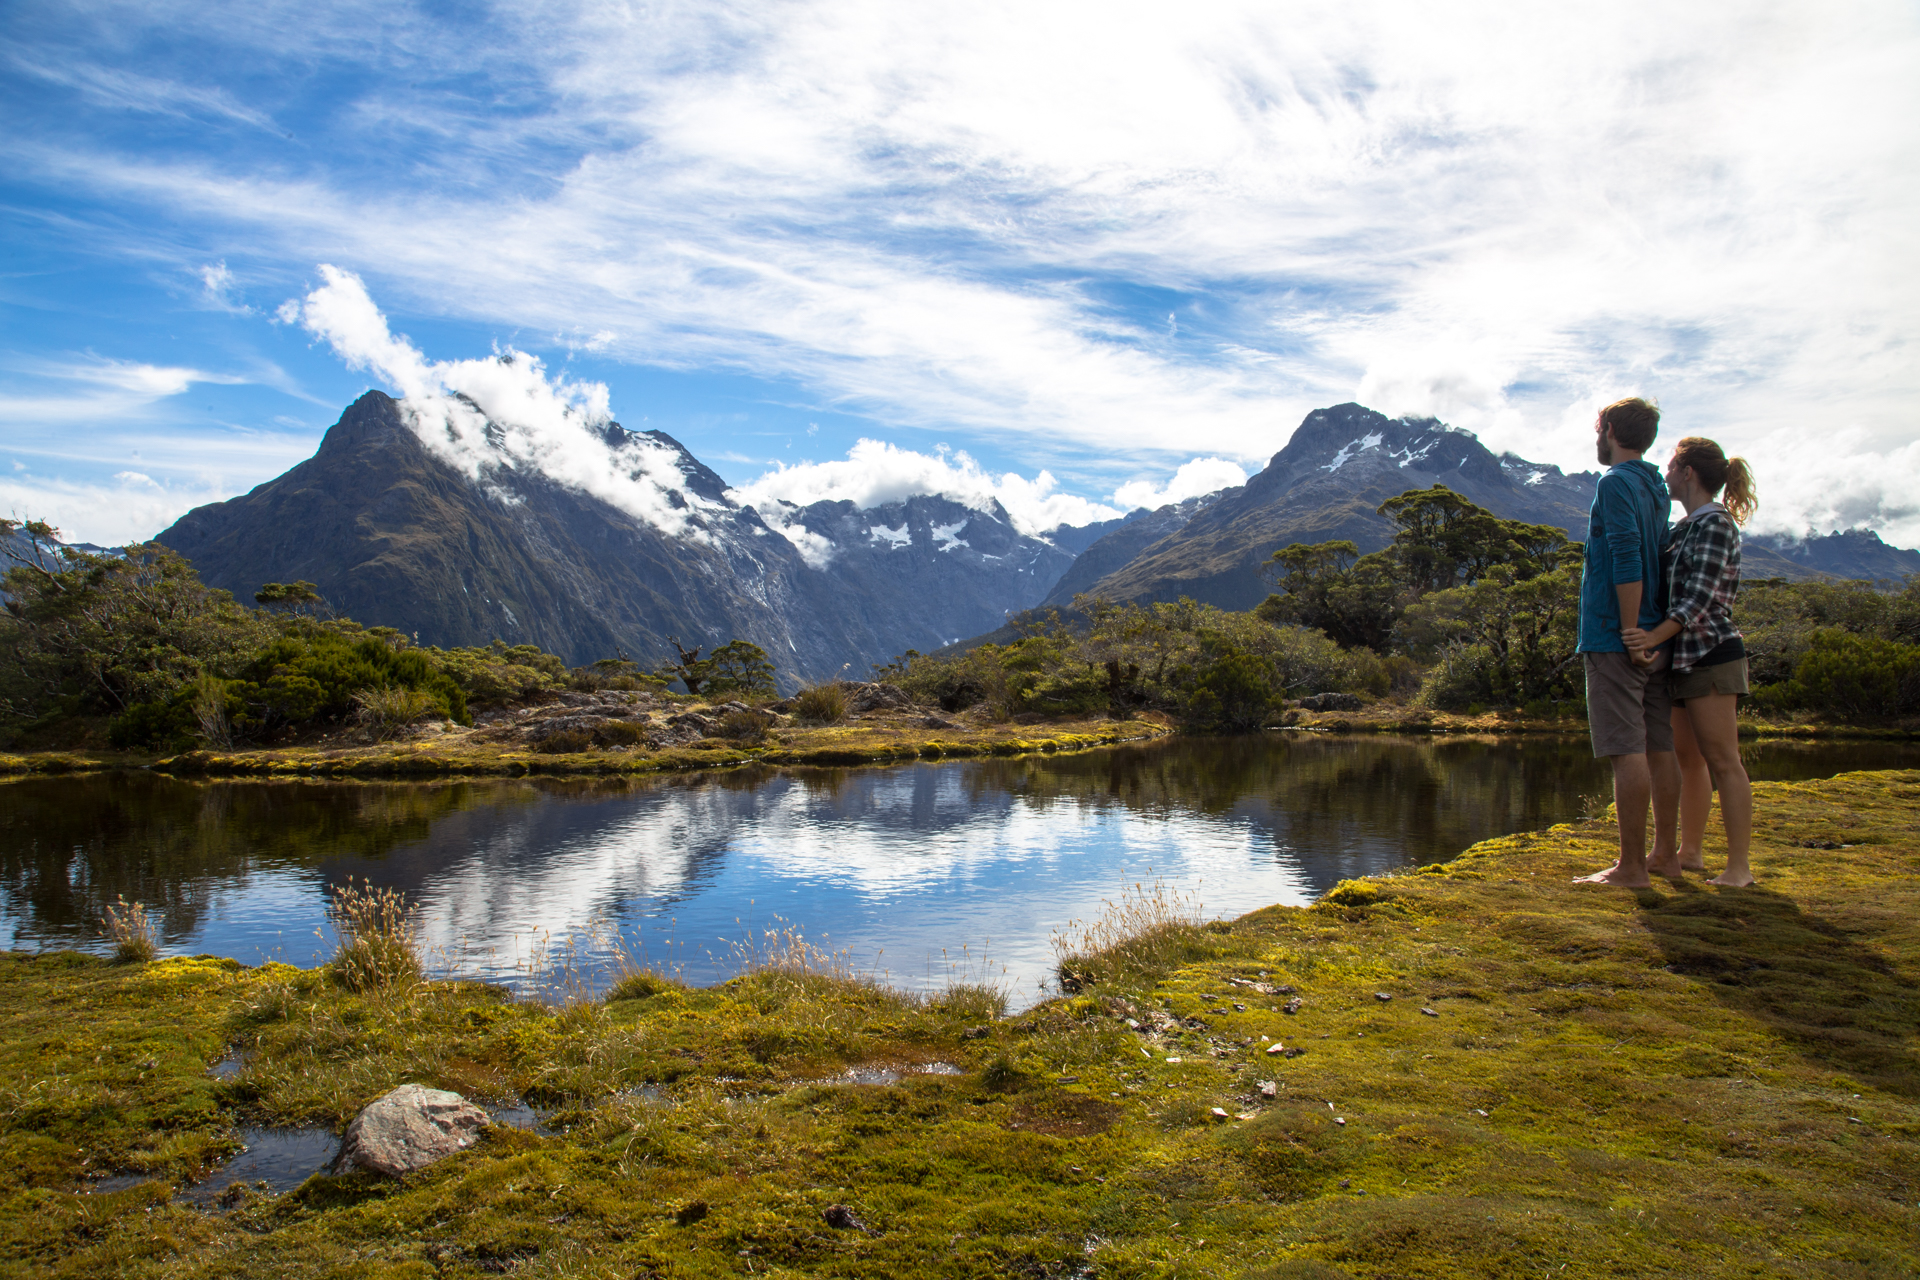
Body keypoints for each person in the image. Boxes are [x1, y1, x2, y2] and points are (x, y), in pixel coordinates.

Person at [1622, 438, 1757, 886]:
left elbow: (1699, 599)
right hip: (1682, 660)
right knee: (1688, 758)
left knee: (1723, 759)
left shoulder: (1716, 524)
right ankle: (1690, 853)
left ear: (1689, 473)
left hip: (1711, 654)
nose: (1666, 471)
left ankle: (1739, 868)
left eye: (1673, 464)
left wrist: (1651, 638)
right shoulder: (1685, 527)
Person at [1573, 397, 1681, 887]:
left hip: (1619, 637)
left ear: (1610, 429)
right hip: (1656, 635)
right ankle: (1665, 857)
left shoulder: (1615, 482)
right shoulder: (1654, 485)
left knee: (1627, 751)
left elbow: (1626, 554)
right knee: (1660, 747)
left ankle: (1632, 868)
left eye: (1599, 429)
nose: (1598, 438)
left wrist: (1630, 631)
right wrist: (1650, 634)